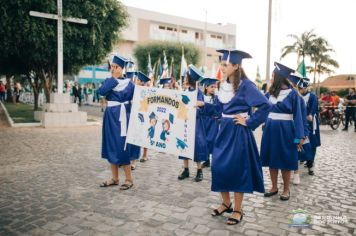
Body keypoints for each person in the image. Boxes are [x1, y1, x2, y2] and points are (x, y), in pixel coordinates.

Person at [209, 49, 271, 225]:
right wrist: (202, 105)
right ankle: (226, 203)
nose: (222, 67)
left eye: (225, 65)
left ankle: (237, 209)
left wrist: (249, 121)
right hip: (223, 132)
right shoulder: (223, 85)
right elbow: (217, 110)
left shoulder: (246, 86)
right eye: (221, 64)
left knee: (236, 169)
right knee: (219, 166)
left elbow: (265, 106)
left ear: (236, 66)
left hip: (238, 132)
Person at [261, 62, 304, 201]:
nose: (272, 78)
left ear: (279, 77)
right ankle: (274, 187)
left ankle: (286, 189)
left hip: (286, 130)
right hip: (270, 129)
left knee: (286, 159)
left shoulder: (293, 95)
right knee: (272, 159)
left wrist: (299, 138)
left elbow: (299, 118)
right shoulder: (269, 93)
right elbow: (262, 110)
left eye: (273, 76)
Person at [98, 55, 135, 190]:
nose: (113, 69)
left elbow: (136, 101)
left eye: (116, 67)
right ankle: (115, 178)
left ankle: (129, 179)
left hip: (123, 117)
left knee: (122, 146)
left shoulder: (130, 84)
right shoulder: (109, 81)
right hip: (110, 117)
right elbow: (101, 92)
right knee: (111, 145)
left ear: (122, 69)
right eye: (112, 67)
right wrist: (113, 79)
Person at [177, 65, 209, 182]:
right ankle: (186, 169)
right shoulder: (184, 91)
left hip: (195, 123)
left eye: (186, 77)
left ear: (190, 79)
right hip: (185, 122)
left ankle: (199, 170)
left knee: (197, 145)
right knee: (184, 144)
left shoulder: (198, 93)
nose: (184, 79)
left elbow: (201, 108)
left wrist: (192, 110)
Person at [287, 74, 313, 184]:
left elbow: (303, 119)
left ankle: (296, 173)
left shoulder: (300, 100)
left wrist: (304, 134)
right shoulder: (286, 96)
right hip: (286, 130)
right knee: (287, 151)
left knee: (296, 150)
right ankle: (287, 173)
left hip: (297, 131)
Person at [299, 77, 321, 175]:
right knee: (298, 141)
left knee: (312, 143)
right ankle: (299, 159)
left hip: (311, 124)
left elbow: (313, 108)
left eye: (303, 88)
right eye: (300, 88)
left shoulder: (312, 96)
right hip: (299, 123)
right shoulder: (297, 96)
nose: (301, 90)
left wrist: (310, 115)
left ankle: (310, 164)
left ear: (307, 88)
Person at [199, 77, 220, 168]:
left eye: (215, 87)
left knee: (212, 141)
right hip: (203, 121)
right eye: (212, 87)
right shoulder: (202, 97)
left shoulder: (216, 98)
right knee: (204, 141)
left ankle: (214, 162)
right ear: (206, 87)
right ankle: (206, 160)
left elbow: (218, 109)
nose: (213, 89)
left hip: (213, 122)